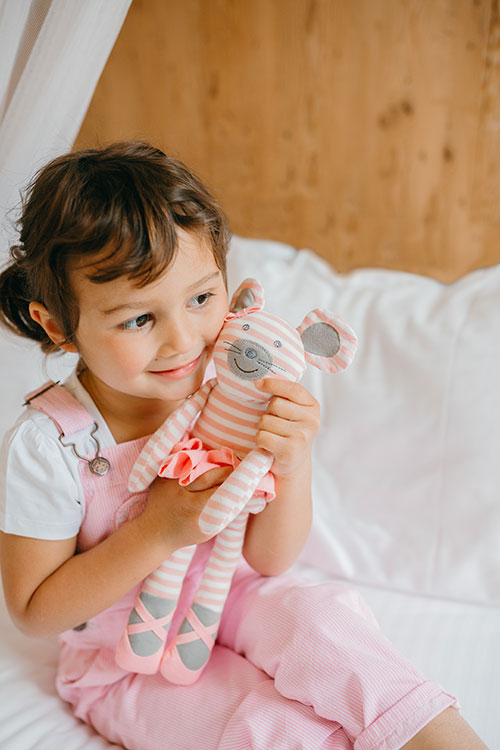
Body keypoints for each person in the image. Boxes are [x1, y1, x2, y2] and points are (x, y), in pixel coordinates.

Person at [0, 142, 486, 750]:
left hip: (230, 592)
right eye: (138, 320)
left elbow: (271, 560)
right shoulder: (50, 443)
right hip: (122, 658)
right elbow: (34, 610)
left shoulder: (230, 383)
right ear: (58, 326)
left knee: (327, 629)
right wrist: (159, 530)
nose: (183, 340)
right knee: (268, 727)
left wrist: (293, 462)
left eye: (202, 299)